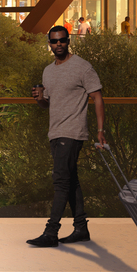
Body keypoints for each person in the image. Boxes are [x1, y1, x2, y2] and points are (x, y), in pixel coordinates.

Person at [27, 25, 107, 247]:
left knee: (60, 181)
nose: (58, 44)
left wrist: (101, 131)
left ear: (68, 40)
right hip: (55, 131)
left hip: (72, 132)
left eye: (62, 40)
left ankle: (51, 232)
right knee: (71, 181)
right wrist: (39, 98)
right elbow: (47, 104)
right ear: (50, 43)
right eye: (54, 41)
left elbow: (97, 97)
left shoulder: (82, 67)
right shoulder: (48, 71)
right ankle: (81, 228)